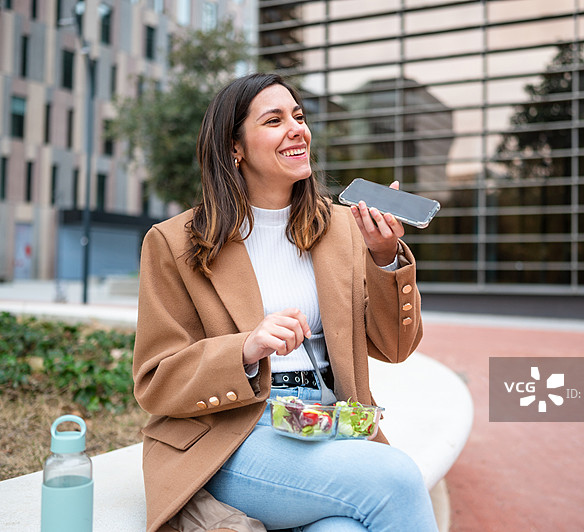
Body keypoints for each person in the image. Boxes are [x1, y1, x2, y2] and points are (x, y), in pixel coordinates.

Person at [132, 72, 439, 532]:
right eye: (274, 120)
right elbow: (155, 381)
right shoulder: (174, 242)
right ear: (234, 148)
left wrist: (384, 257)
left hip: (329, 422)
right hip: (233, 436)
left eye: (298, 116)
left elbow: (395, 348)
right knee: (396, 477)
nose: (297, 129)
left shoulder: (343, 229)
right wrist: (245, 349)